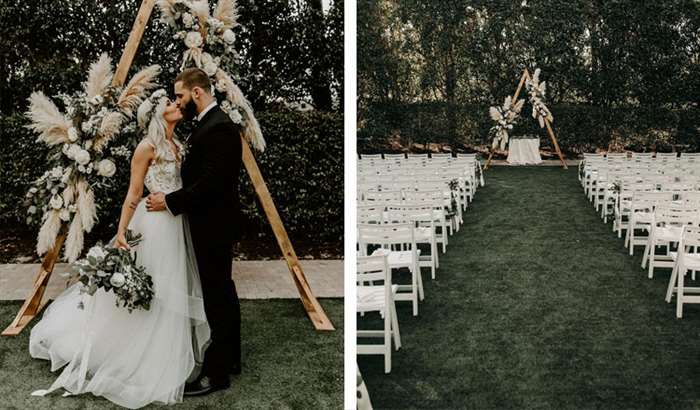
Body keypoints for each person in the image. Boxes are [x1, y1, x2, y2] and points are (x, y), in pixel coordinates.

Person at [28, 90, 211, 409]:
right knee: (152, 285)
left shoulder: (176, 144)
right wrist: (121, 231)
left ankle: (165, 347)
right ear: (156, 112)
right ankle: (135, 349)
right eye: (169, 103)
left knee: (170, 284)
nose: (176, 104)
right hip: (152, 226)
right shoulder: (146, 147)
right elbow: (134, 192)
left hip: (175, 224)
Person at [145, 67, 243, 396]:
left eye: (181, 96)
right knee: (220, 292)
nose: (179, 102)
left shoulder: (220, 128)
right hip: (207, 223)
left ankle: (217, 374)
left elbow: (210, 185)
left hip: (213, 225)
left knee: (217, 295)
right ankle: (230, 358)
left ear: (197, 93)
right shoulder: (207, 125)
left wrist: (170, 201)